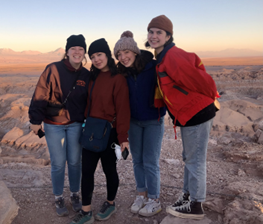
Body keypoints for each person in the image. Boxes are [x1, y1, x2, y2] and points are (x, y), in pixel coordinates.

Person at [146, 15, 218, 220]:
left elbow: (203, 81)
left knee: (195, 160)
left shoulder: (172, 56)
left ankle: (196, 204)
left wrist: (211, 97)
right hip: (189, 114)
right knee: (189, 158)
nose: (154, 36)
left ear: (169, 35)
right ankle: (188, 196)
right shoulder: (162, 57)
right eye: (151, 32)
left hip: (196, 113)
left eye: (159, 32)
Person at [28, 34, 90, 216]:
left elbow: (91, 99)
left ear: (84, 52)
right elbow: (40, 93)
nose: (77, 52)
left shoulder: (86, 75)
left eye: (80, 49)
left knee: (74, 162)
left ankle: (74, 194)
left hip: (76, 124)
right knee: (57, 163)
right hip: (53, 124)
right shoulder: (53, 69)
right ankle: (58, 196)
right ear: (67, 51)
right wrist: (34, 120)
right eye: (74, 49)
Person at [70, 38, 131, 224]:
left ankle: (110, 203)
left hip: (109, 132)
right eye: (93, 56)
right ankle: (86, 212)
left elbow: (123, 110)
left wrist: (123, 138)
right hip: (90, 130)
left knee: (109, 170)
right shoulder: (91, 77)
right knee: (87, 171)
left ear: (107, 55)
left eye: (99, 55)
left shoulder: (118, 79)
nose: (96, 59)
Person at [113, 31, 166, 217]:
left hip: (153, 120)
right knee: (137, 161)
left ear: (134, 51)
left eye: (125, 52)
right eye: (118, 55)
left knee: (150, 161)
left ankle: (154, 199)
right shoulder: (122, 73)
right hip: (134, 122)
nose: (122, 57)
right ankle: (141, 194)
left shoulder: (152, 66)